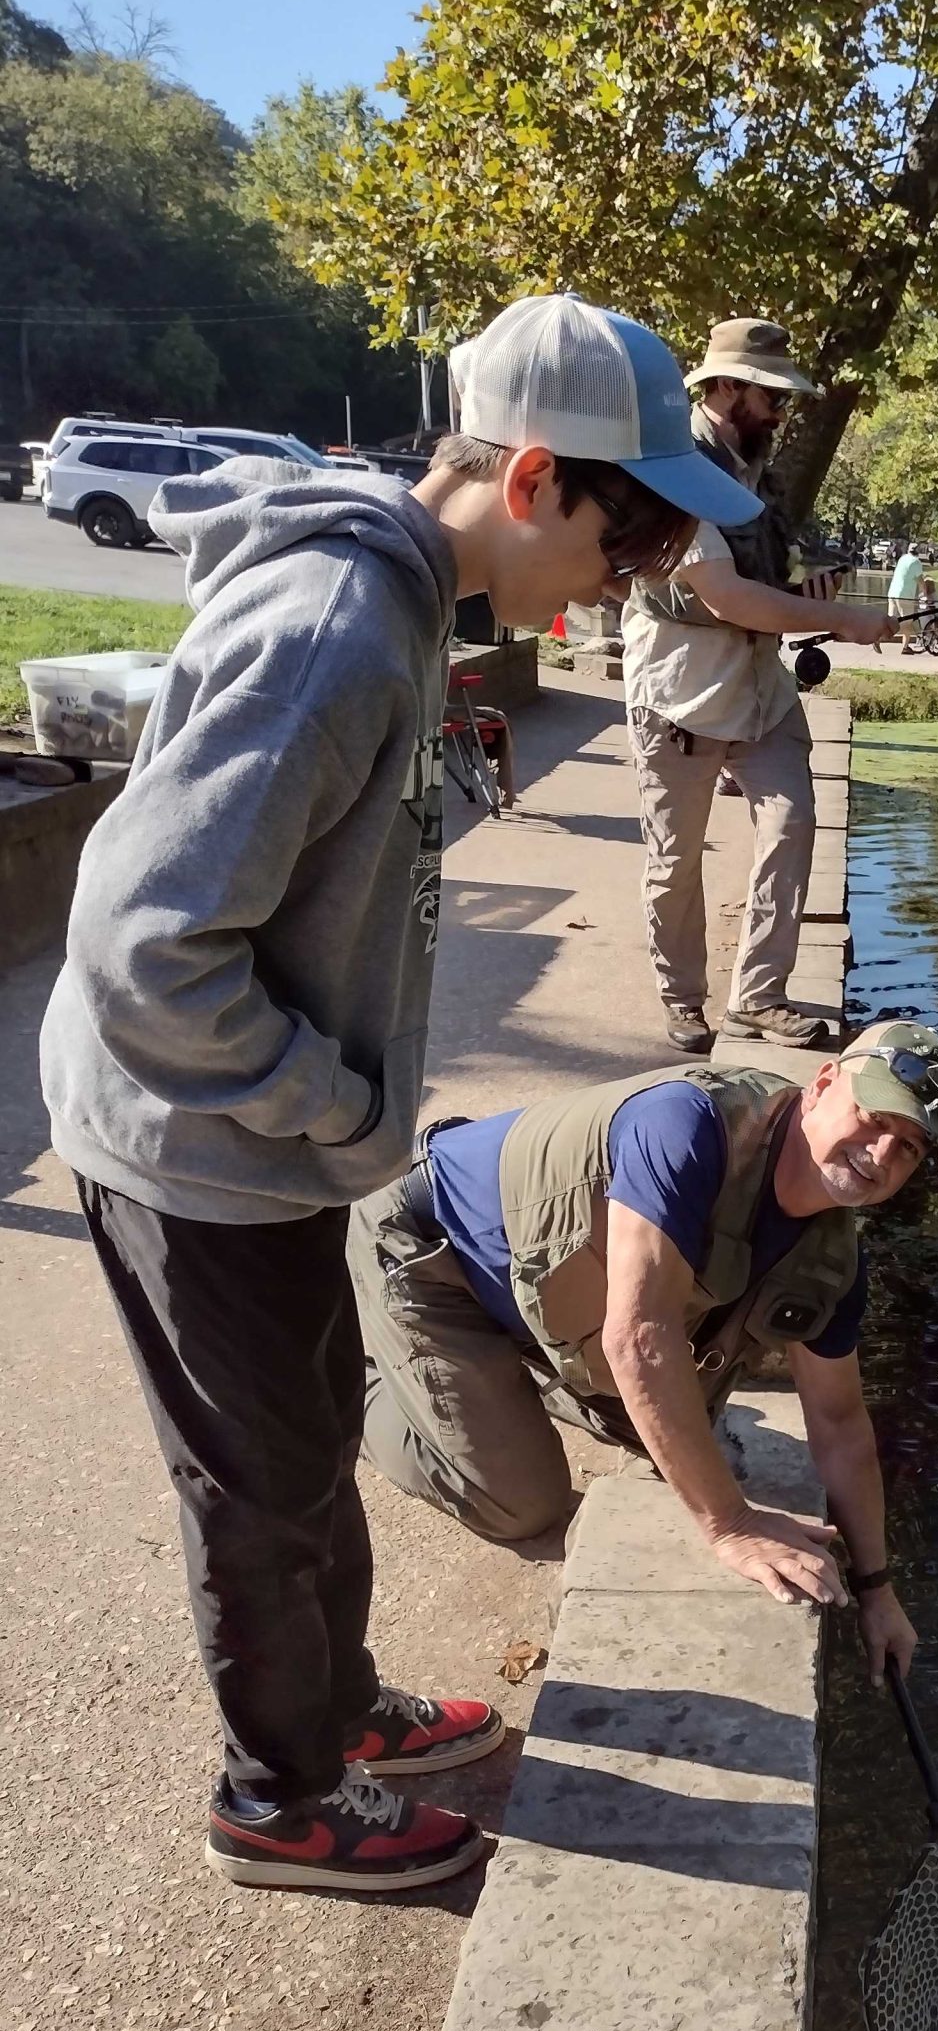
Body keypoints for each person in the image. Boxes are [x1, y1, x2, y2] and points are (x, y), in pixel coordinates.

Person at [41, 292, 759, 1896]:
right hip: (192, 1144)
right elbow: (145, 946)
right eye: (628, 538)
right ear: (532, 480)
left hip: (275, 1142)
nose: (630, 579)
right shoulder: (336, 633)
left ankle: (341, 1708)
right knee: (258, 1487)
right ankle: (278, 1800)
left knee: (313, 1441)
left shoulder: (407, 608)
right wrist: (338, 1108)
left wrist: (333, 1120)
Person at [348, 1022, 938, 1682]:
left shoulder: (834, 1258)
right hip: (429, 1248)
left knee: (665, 1428)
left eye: (909, 1146)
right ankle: (348, 1382)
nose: (882, 1152)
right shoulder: (688, 1124)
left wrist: (878, 1591)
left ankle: (494, 1381)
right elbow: (637, 1338)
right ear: (823, 1084)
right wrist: (731, 1524)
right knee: (523, 1504)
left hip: (531, 1286)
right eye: (874, 1117)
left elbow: (838, 1422)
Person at [622, 318, 894, 1057]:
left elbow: (762, 588)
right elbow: (728, 599)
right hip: (678, 697)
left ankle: (758, 997)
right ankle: (683, 999)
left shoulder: (758, 473)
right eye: (771, 397)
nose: (780, 412)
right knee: (675, 861)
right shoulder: (676, 471)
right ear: (727, 388)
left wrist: (807, 594)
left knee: (792, 822)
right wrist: (840, 617)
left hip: (760, 693)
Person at [885, 541, 926, 634]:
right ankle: (905, 643)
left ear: (908, 550)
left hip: (892, 592)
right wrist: (924, 594)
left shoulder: (902, 558)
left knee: (890, 621)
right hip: (904, 595)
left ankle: (882, 637)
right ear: (918, 551)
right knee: (907, 623)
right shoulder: (916, 562)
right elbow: (920, 581)